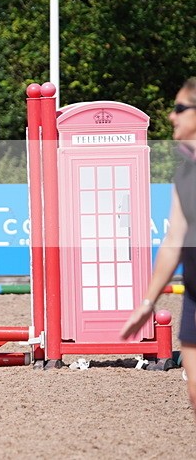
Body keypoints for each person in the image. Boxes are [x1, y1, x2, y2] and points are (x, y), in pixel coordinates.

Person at [120, 77, 196, 424]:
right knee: (194, 393)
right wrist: (148, 303)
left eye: (180, 108)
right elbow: (173, 239)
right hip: (194, 297)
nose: (171, 116)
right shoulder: (184, 172)